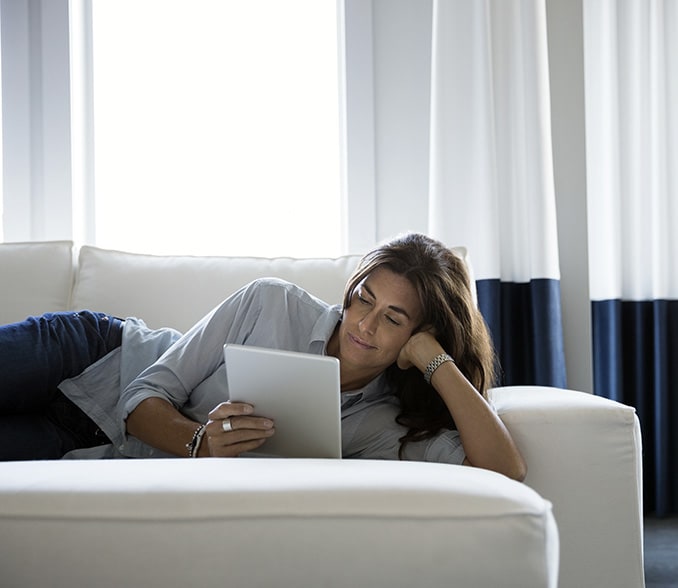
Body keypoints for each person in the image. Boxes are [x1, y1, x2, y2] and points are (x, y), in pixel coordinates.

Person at [0, 233, 526, 480]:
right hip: (92, 357)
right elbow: (142, 398)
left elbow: (505, 472)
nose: (364, 323)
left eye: (393, 318)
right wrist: (199, 443)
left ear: (419, 336)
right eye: (364, 297)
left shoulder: (385, 426)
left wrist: (437, 362)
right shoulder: (271, 302)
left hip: (94, 449)